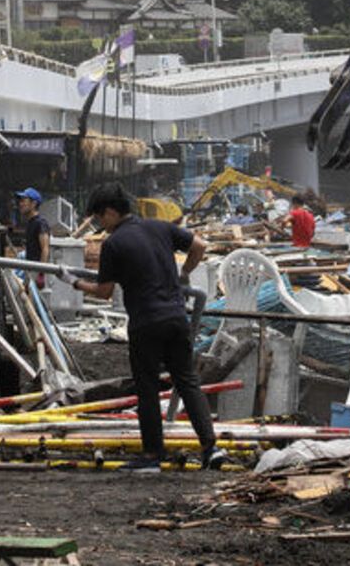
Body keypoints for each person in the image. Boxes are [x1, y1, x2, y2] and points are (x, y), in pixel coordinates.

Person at [58, 182, 227, 474]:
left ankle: (152, 455)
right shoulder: (160, 227)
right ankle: (211, 448)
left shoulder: (114, 244)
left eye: (100, 218)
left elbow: (103, 291)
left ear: (111, 212)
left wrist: (71, 281)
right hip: (176, 317)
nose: (101, 226)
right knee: (187, 381)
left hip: (146, 322)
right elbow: (199, 246)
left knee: (147, 389)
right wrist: (184, 273)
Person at [14, 187, 51, 284]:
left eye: (23, 201)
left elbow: (45, 249)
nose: (20, 204)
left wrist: (41, 274)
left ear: (33, 204)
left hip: (36, 270)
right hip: (29, 268)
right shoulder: (30, 223)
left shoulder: (40, 223)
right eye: (20, 201)